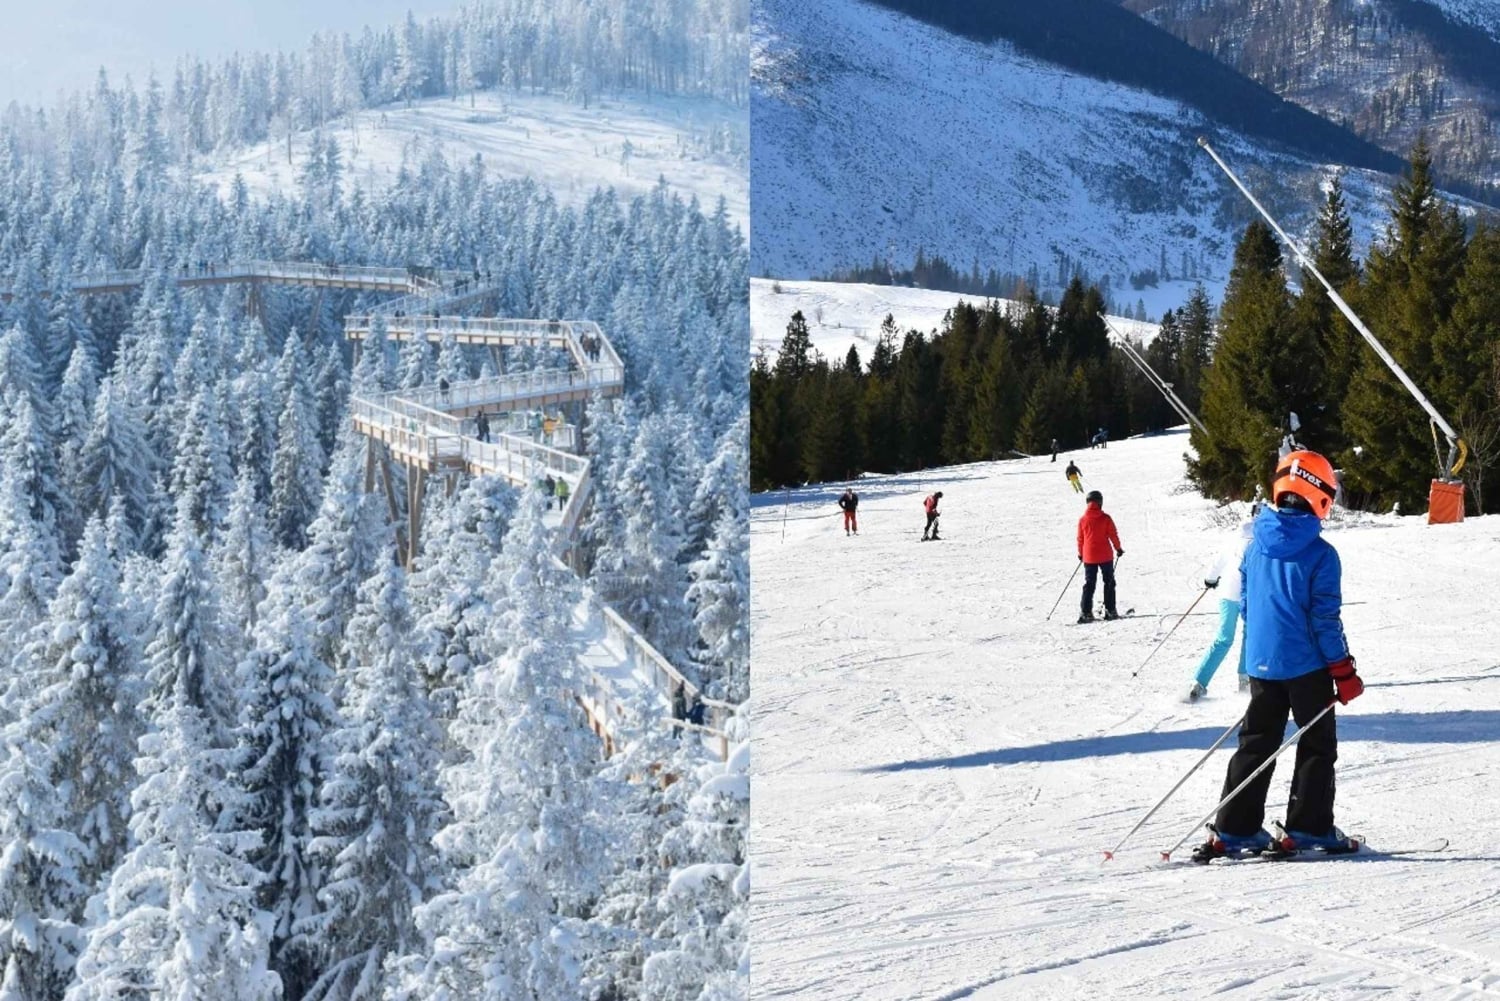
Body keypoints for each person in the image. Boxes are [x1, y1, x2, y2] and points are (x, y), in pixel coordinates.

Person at [1194, 450, 1361, 861]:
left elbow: (1249, 604)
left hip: (1262, 665)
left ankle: (1234, 828)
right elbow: (1324, 618)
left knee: (1256, 742)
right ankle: (1309, 826)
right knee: (1317, 744)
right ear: (1319, 495)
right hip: (1307, 667)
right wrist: (1343, 670)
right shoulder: (1322, 554)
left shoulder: (1254, 546)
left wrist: (1259, 652)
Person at [1186, 514, 1256, 702]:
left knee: (1224, 638)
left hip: (1227, 595)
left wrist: (1210, 579)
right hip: (1249, 596)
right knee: (1249, 635)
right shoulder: (1259, 543)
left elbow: (1218, 562)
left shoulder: (1233, 540)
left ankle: (1198, 682)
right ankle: (1245, 677)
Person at [1076, 489, 1123, 623]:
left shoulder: (1083, 520)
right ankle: (1110, 610)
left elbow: (1080, 539)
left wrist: (1081, 553)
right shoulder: (1106, 518)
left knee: (1089, 584)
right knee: (1109, 582)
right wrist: (1118, 548)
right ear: (1100, 502)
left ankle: (1086, 612)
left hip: (1089, 556)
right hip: (1105, 556)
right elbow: (1113, 534)